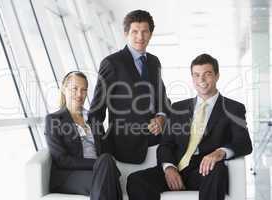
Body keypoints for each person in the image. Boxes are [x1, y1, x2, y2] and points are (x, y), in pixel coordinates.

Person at [126, 54, 253, 200]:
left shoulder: (233, 108)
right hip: (176, 169)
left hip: (205, 172)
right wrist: (169, 167)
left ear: (217, 76)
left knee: (217, 169)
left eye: (207, 74)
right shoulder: (178, 107)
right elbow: (166, 145)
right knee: (136, 180)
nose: (201, 80)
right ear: (192, 78)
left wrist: (220, 152)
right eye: (196, 75)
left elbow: (244, 143)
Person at [89, 10, 170, 164]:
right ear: (126, 33)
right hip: (124, 148)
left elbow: (162, 99)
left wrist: (161, 117)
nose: (140, 37)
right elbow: (95, 112)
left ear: (151, 34)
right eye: (135, 31)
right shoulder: (112, 63)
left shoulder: (154, 62)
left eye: (145, 31)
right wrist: (102, 150)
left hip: (156, 143)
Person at [44, 71, 122, 200]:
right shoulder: (54, 120)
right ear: (64, 89)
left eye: (84, 90)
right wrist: (97, 163)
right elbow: (61, 160)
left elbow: (105, 148)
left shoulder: (93, 118)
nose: (80, 94)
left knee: (106, 166)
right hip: (69, 175)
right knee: (108, 177)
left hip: (100, 170)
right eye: (75, 89)